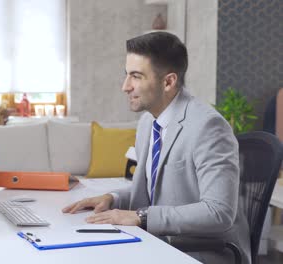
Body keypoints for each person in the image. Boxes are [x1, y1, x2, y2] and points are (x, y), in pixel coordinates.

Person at [62, 32, 250, 264]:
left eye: (136, 76)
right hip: (158, 242)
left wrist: (140, 216)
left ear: (168, 82)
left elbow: (218, 212)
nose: (125, 86)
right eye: (126, 75)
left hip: (201, 251)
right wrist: (113, 198)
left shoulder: (208, 127)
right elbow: (158, 193)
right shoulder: (148, 123)